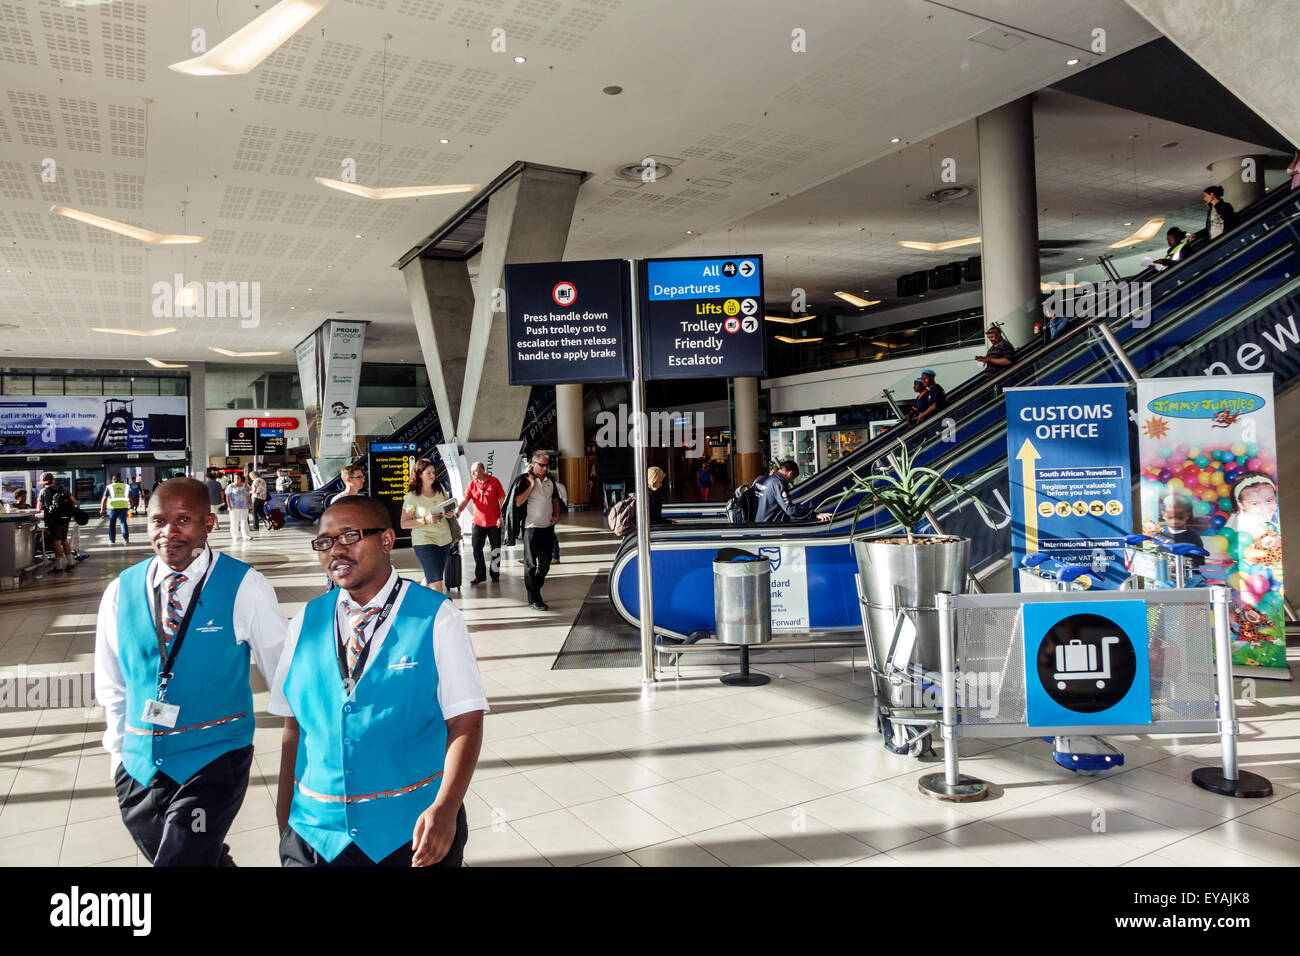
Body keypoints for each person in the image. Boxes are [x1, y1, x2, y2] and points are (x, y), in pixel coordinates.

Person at [270, 496, 487, 867]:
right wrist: (285, 817)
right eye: (324, 541)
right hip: (314, 835)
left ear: (387, 540)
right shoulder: (305, 621)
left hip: (411, 831)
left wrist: (446, 808)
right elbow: (294, 726)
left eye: (349, 536)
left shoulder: (436, 617)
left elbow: (465, 718)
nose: (335, 549)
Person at [92, 477, 288, 866]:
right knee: (201, 859)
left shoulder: (244, 586)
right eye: (158, 521)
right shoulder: (122, 589)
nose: (169, 532)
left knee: (182, 860)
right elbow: (112, 681)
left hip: (214, 758)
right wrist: (118, 755)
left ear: (208, 524)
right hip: (138, 762)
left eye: (183, 520)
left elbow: (283, 671)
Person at [509, 451, 560, 611]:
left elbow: (555, 499)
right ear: (533, 463)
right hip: (531, 528)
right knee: (531, 564)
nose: (545, 468)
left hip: (547, 527)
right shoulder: (524, 481)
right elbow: (517, 502)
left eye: (547, 465)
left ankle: (534, 589)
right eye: (542, 465)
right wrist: (531, 485)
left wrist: (557, 515)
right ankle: (534, 598)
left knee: (545, 564)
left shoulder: (550, 480)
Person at [401, 458, 453, 593]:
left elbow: (447, 507)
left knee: (432, 577)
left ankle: (415, 598)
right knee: (437, 582)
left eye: (433, 472)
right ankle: (440, 611)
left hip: (444, 539)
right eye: (428, 473)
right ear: (419, 475)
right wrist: (426, 520)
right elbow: (404, 523)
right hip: (424, 541)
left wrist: (449, 513)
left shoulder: (440, 489)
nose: (432, 476)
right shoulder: (412, 496)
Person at [456, 460, 505, 586]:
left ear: (483, 470)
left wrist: (501, 517)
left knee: (496, 550)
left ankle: (495, 574)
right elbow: (465, 500)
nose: (472, 473)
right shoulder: (471, 484)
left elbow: (502, 501)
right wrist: (458, 512)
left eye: (475, 470)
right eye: (472, 471)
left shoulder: (495, 481)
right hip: (478, 522)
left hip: (494, 523)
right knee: (476, 548)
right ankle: (480, 575)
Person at [753, 461, 833, 523]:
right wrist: (815, 515)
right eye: (792, 479)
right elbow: (790, 510)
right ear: (790, 473)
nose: (790, 482)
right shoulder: (778, 484)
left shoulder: (760, 479)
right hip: (771, 527)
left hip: (756, 524)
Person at [36, 472, 77, 572]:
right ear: (53, 480)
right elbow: (73, 501)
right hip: (65, 519)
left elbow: (38, 507)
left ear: (44, 482)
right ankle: (70, 562)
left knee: (56, 542)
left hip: (53, 519)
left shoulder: (44, 491)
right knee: (64, 540)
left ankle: (59, 565)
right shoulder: (62, 489)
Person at [1158, 494, 1204, 568]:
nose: (1175, 521)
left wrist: (1180, 564)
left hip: (1186, 575)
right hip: (1164, 573)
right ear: (1163, 514)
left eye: (1180, 518)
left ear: (1188, 515)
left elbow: (1198, 561)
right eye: (1170, 517)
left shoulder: (1192, 537)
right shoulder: (1160, 533)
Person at [100, 472, 132, 547]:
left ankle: (112, 540)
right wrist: (131, 505)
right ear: (120, 479)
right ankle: (126, 539)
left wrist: (102, 509)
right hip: (123, 507)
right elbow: (130, 498)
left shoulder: (109, 487)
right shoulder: (125, 486)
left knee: (112, 524)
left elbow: (104, 498)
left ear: (113, 480)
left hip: (112, 508)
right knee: (123, 523)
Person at [225, 472, 252, 542]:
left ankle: (246, 535)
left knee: (244, 520)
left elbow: (248, 496)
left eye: (238, 478)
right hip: (234, 506)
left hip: (244, 506)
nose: (236, 479)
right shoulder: (231, 486)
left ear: (241, 479)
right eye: (235, 478)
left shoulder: (246, 486)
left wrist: (250, 504)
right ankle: (235, 535)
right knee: (234, 521)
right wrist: (229, 505)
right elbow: (227, 496)